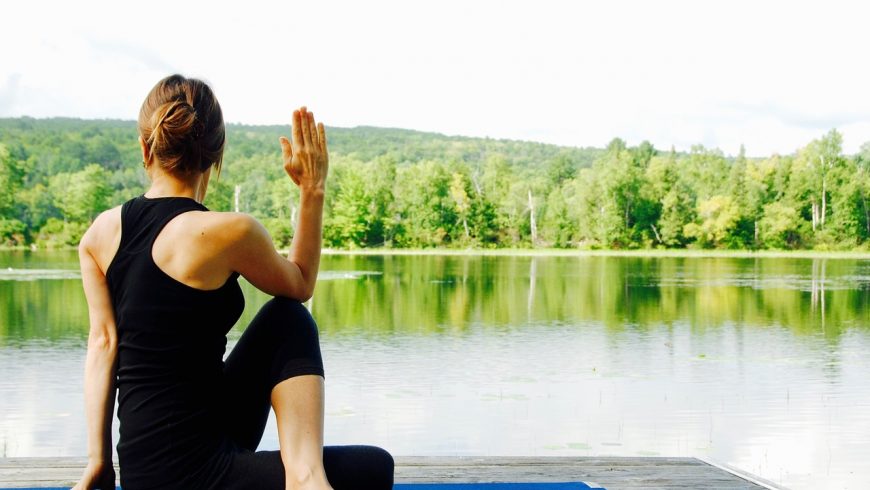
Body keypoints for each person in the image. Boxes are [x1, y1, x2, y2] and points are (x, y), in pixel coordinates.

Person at [72, 74, 394, 489]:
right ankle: (306, 476)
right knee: (372, 466)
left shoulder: (99, 235)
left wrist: (98, 461)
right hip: (197, 475)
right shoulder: (228, 232)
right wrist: (312, 190)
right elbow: (300, 284)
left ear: (145, 146)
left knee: (283, 320)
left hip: (143, 472)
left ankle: (303, 476)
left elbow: (102, 345)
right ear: (217, 153)